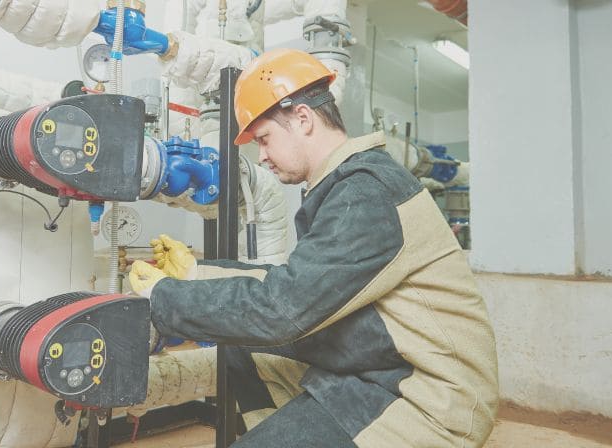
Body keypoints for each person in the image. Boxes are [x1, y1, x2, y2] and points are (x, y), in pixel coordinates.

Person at [129, 48, 498, 447]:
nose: (263, 157)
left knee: (263, 333)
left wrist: (161, 300)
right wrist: (194, 275)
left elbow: (280, 309)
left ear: (302, 118)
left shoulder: (366, 192)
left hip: (430, 397)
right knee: (242, 344)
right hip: (383, 368)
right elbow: (293, 284)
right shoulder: (349, 185)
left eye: (265, 139)